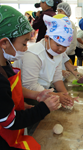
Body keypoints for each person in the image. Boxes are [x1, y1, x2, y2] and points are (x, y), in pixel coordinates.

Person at [0, 5, 60, 150]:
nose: (26, 48)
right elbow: (10, 122)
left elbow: (10, 93)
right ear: (4, 43)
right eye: (24, 43)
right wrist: (44, 108)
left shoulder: (5, 64)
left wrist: (37, 95)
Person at [14, 14, 77, 107]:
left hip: (45, 91)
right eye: (58, 45)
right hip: (29, 96)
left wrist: (66, 96)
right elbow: (30, 86)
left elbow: (57, 78)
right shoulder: (34, 54)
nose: (60, 49)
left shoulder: (57, 53)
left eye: (65, 47)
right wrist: (56, 96)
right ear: (47, 38)